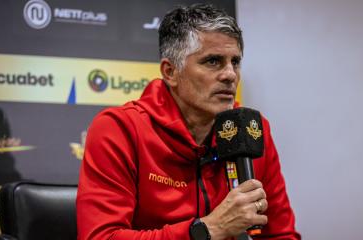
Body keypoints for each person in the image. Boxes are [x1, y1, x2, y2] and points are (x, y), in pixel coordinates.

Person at [77, 4, 300, 240]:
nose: (230, 75)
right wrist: (207, 230)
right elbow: (101, 237)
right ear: (170, 72)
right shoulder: (119, 129)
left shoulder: (253, 129)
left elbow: (281, 234)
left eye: (235, 62)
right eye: (213, 61)